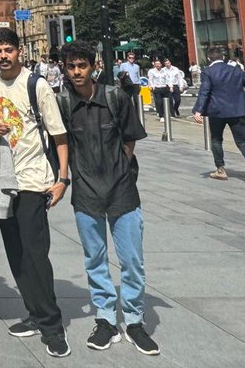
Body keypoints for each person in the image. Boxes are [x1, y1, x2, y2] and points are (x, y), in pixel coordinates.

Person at [0, 28, 71, 358]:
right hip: (3, 182)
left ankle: (52, 325)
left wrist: (62, 179)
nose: (3, 55)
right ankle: (33, 312)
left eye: (8, 49)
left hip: (33, 180)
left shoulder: (36, 84)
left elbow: (59, 135)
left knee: (35, 253)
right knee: (15, 252)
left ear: (19, 51)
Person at [57, 43, 158, 355]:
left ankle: (134, 319)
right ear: (65, 68)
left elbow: (129, 139)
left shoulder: (115, 97)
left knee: (132, 260)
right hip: (86, 193)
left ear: (93, 66)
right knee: (95, 259)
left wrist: (120, 167)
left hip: (122, 190)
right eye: (71, 66)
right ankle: (104, 318)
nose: (77, 72)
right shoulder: (61, 103)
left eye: (82, 66)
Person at [192, 47, 245, 187]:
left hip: (217, 111)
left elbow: (204, 91)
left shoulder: (208, 71)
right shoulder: (236, 69)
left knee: (216, 139)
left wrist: (198, 110)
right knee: (242, 141)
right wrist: (244, 101)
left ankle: (220, 169)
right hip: (237, 111)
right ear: (223, 57)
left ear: (209, 58)